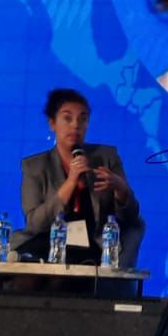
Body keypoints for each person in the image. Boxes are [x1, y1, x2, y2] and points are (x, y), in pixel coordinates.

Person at [16, 88, 141, 267]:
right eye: (68, 118)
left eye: (83, 119)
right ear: (52, 123)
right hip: (46, 242)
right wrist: (71, 182)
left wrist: (121, 188)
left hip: (90, 246)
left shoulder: (106, 157)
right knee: (26, 275)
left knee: (62, 277)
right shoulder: (35, 166)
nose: (76, 125)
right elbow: (35, 224)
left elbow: (131, 218)